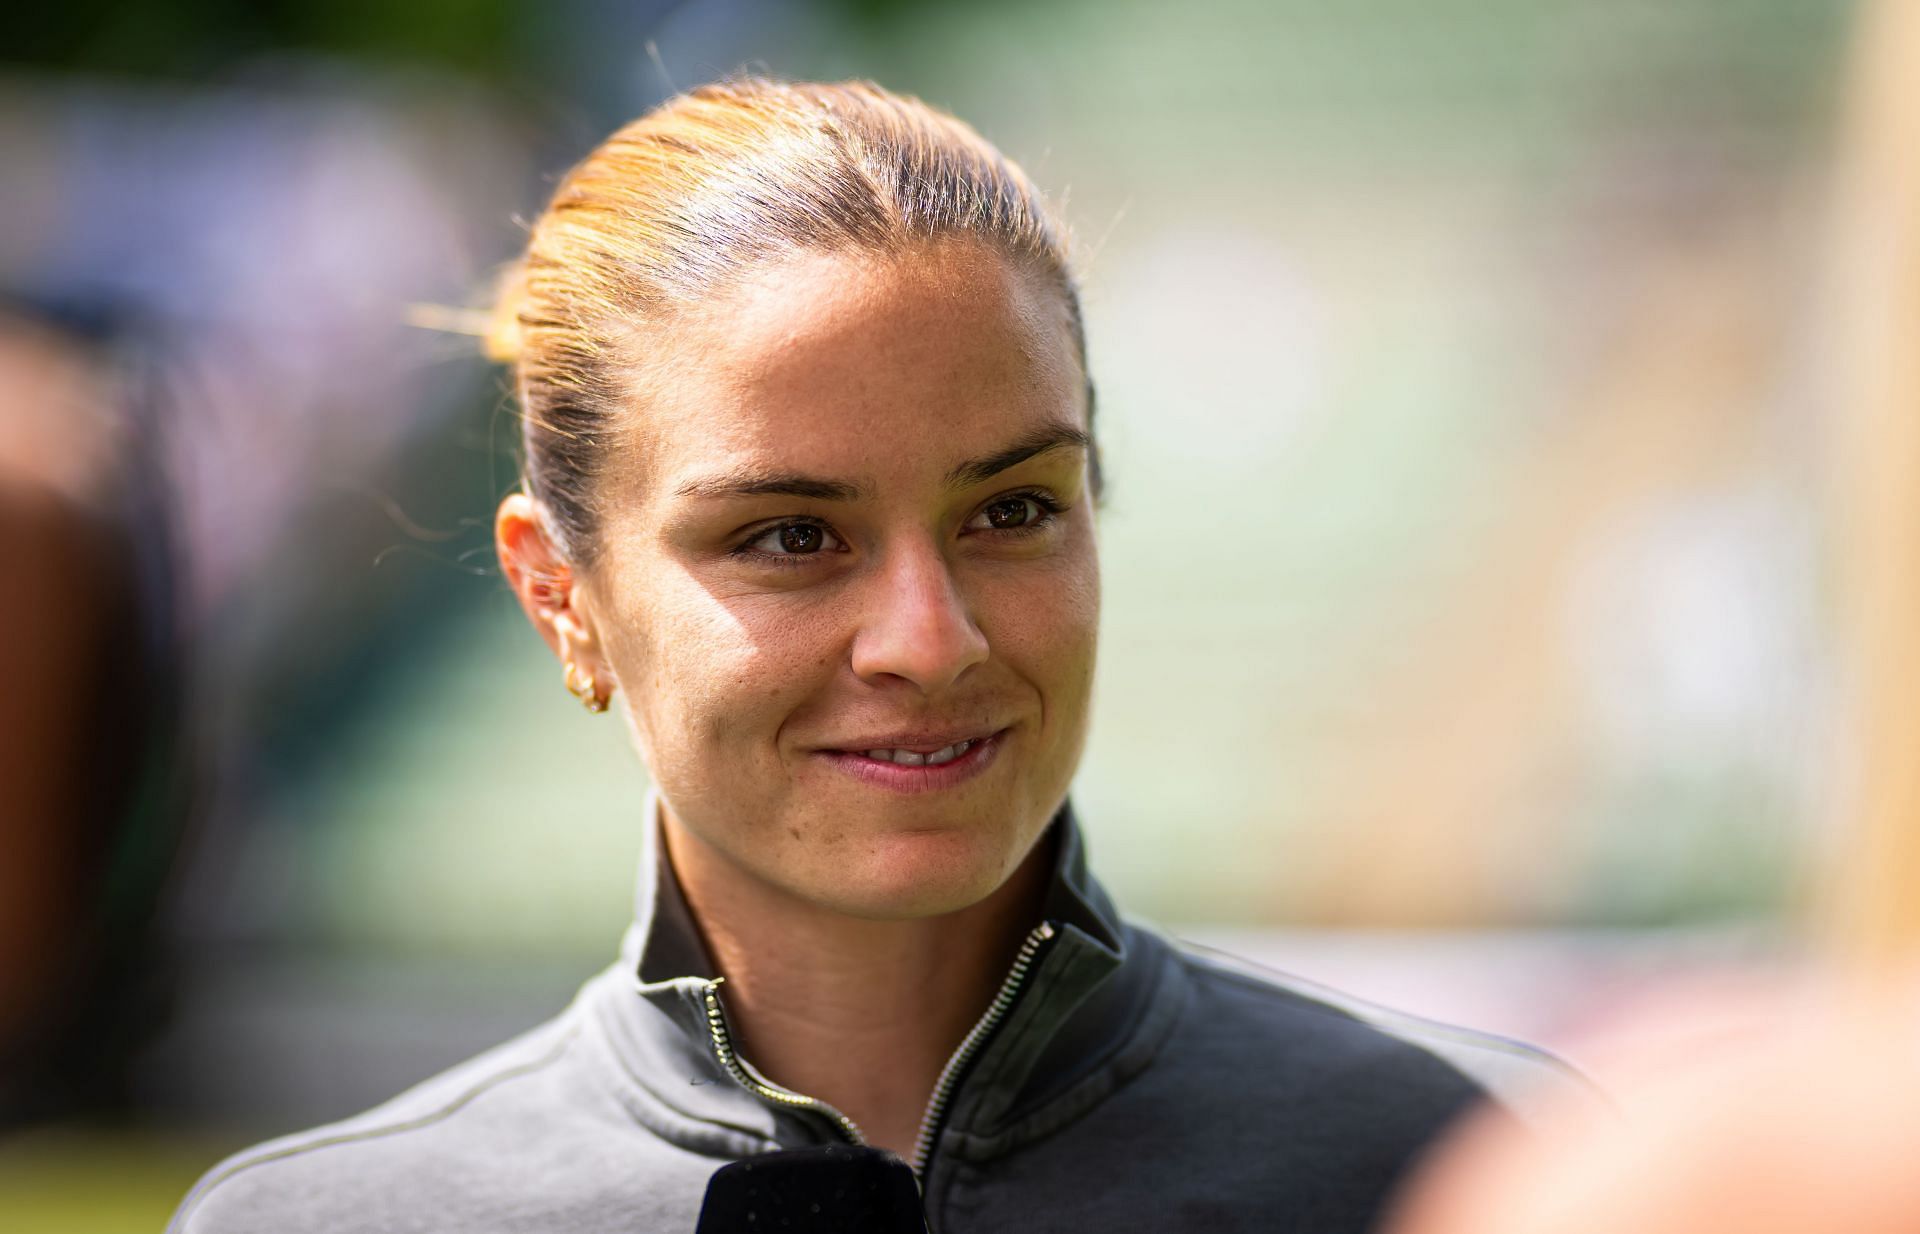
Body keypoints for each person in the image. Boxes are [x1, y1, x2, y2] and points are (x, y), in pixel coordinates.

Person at [168, 77, 1586, 1234]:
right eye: (791, 535)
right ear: (560, 594)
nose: (930, 638)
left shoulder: (1504, 1175)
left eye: (1013, 509)